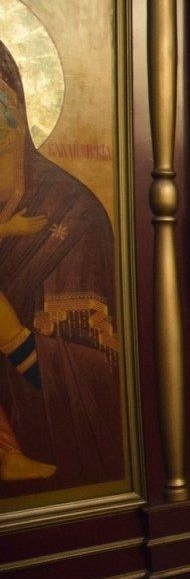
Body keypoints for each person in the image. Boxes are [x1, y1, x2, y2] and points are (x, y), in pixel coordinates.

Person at [0, 40, 121, 492]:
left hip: (48, 444)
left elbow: (105, 376)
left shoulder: (72, 215)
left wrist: (15, 339)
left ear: (15, 106)